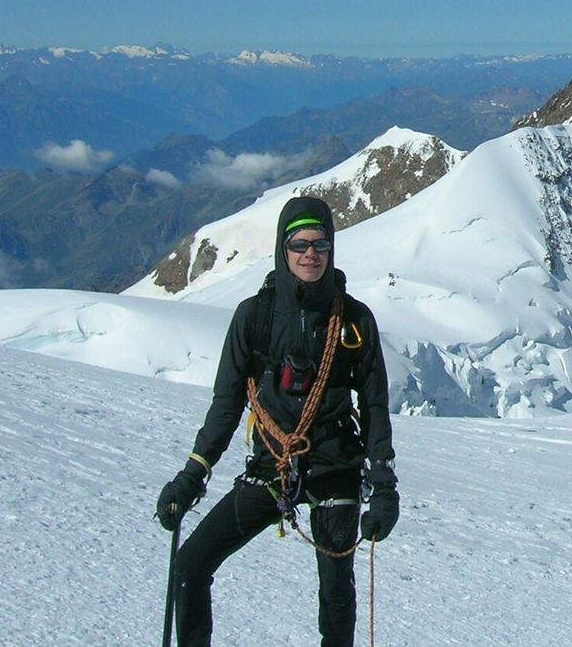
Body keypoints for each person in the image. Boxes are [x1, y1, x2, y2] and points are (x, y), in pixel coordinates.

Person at [155, 195, 398, 647]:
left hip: (333, 468)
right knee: (190, 566)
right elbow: (227, 404)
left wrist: (384, 486)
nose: (311, 254)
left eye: (320, 244)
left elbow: (374, 407)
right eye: (300, 244)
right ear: (282, 250)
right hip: (272, 468)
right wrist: (193, 473)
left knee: (336, 599)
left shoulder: (354, 322)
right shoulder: (256, 317)